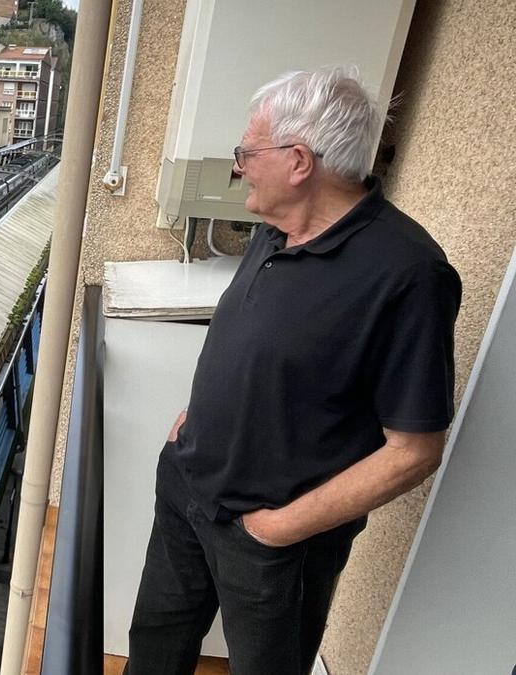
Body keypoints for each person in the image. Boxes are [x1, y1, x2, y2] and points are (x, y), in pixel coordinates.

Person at [124, 66, 461, 675]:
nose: (238, 166)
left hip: (274, 541)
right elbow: (260, 348)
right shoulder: (276, 229)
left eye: (247, 153)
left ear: (299, 161)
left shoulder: (409, 274)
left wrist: (277, 529)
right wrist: (195, 423)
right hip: (189, 486)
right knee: (154, 645)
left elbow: (414, 449)